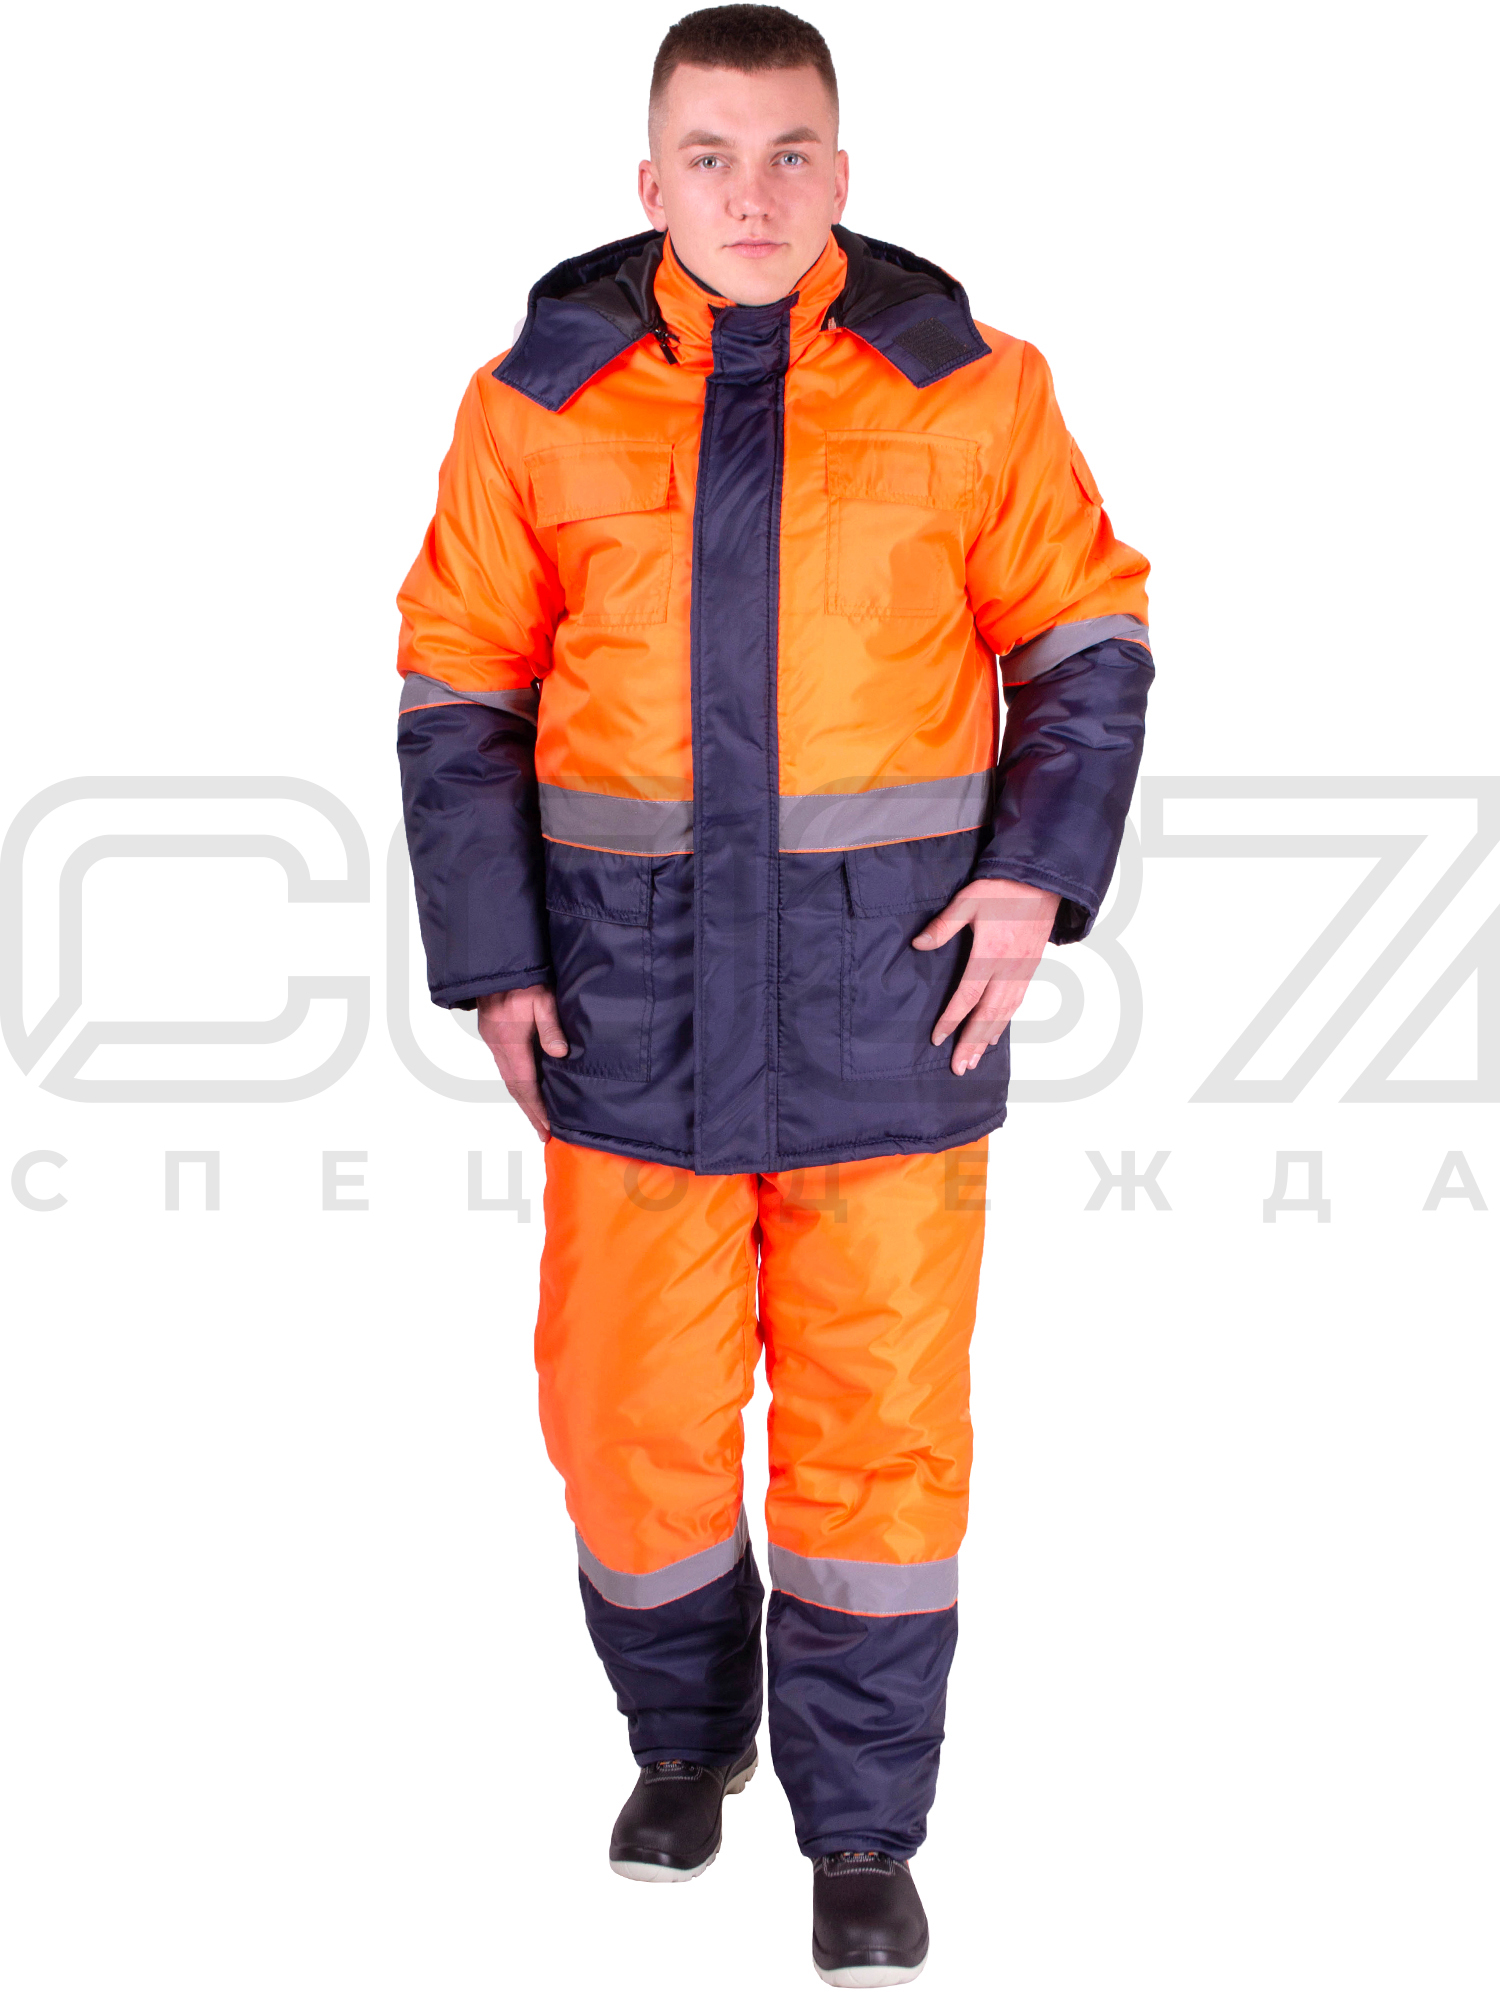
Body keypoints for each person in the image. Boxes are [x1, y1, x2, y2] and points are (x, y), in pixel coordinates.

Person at [395, 6, 1152, 1984]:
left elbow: (1087, 637)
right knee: (624, 1418)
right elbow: (458, 691)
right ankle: (682, 1741)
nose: (754, 192)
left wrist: (1036, 871)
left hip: (891, 1000)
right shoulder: (534, 401)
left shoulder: (972, 386)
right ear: (649, 182)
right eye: (714, 156)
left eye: (792, 152)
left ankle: (863, 1828)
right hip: (623, 1004)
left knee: (877, 1432)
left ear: (845, 172)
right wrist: (492, 960)